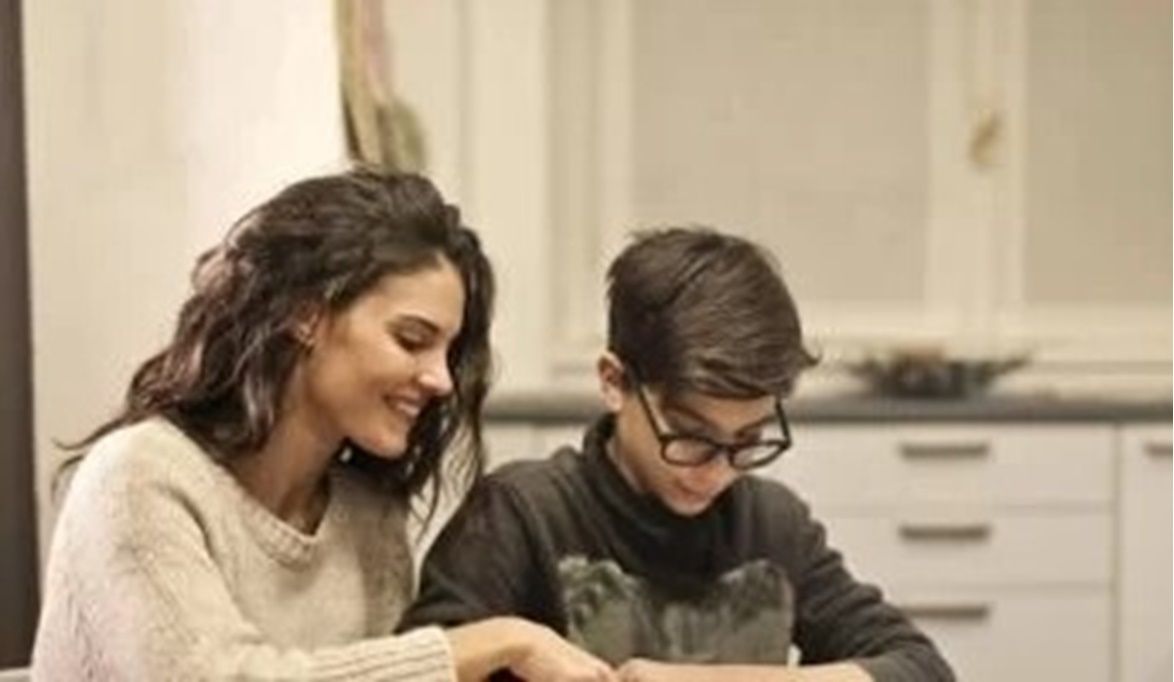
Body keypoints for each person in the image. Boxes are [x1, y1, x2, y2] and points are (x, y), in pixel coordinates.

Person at [31, 169, 617, 681]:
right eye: (411, 339)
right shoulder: (138, 478)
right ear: (306, 314)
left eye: (447, 351)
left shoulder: (369, 520)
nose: (441, 379)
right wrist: (492, 643)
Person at [401, 227, 955, 682]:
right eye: (691, 437)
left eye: (748, 440)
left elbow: (920, 668)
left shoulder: (773, 524)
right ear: (614, 382)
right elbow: (420, 668)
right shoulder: (521, 514)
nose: (717, 472)